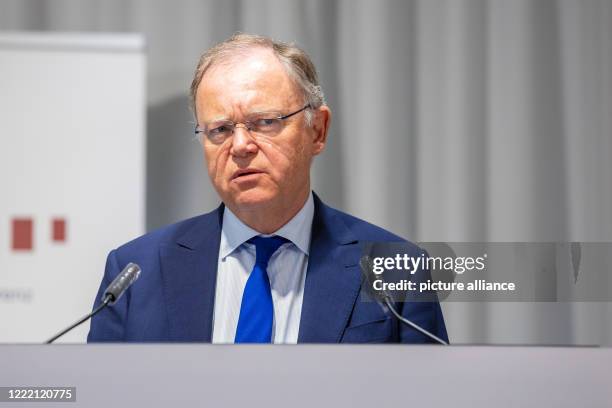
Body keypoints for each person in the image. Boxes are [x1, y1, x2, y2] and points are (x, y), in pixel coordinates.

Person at [87, 33, 448, 344]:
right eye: (220, 130)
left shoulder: (396, 268)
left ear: (318, 130)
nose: (241, 145)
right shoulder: (137, 272)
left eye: (265, 122)